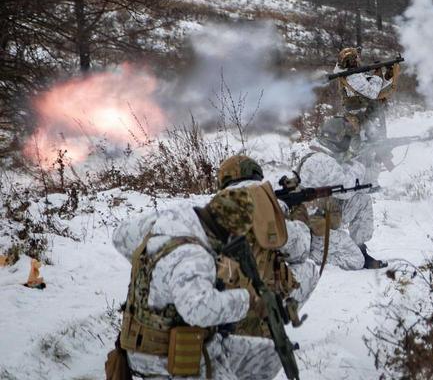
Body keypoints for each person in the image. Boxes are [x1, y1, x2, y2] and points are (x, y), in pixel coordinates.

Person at [107, 155, 318, 380]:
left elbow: (121, 237)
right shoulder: (195, 254)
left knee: (269, 356)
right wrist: (250, 301)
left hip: (192, 336)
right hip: (166, 356)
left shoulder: (177, 217)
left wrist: (158, 272)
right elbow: (198, 310)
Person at [297, 116, 388, 270]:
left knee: (362, 200)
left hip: (326, 215)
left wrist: (374, 161)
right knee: (355, 261)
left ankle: (359, 248)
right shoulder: (321, 161)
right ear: (338, 139)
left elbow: (360, 185)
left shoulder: (325, 154)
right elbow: (346, 188)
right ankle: (311, 253)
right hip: (313, 231)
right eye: (348, 139)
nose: (349, 143)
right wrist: (359, 162)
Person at [335, 47, 400, 147]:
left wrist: (387, 75)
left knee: (377, 148)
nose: (358, 60)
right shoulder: (352, 77)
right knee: (373, 147)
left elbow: (371, 86)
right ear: (352, 61)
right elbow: (372, 93)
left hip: (365, 115)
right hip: (360, 118)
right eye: (356, 58)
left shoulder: (355, 75)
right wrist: (378, 73)